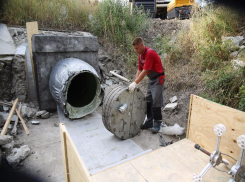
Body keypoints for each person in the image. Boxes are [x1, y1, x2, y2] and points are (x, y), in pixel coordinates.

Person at [128, 37, 165, 133]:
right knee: (148, 99)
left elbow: (145, 70)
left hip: (158, 78)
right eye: (134, 48)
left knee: (156, 100)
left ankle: (157, 122)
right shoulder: (140, 56)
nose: (135, 50)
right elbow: (140, 69)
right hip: (151, 79)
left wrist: (135, 83)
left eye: (137, 48)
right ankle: (149, 121)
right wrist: (135, 82)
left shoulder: (150, 53)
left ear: (142, 45)